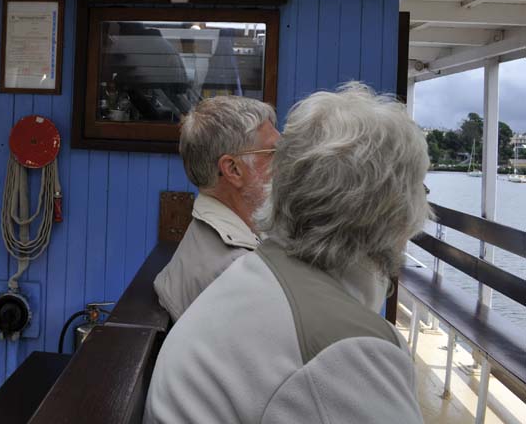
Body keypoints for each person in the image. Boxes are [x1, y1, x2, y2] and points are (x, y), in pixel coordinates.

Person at [144, 82, 431, 424]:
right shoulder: (343, 344)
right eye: (274, 154)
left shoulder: (250, 264)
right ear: (394, 210)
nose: (285, 167)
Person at [154, 95, 279, 321]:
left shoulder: (219, 238)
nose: (285, 162)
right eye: (273, 153)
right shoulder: (237, 270)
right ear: (233, 169)